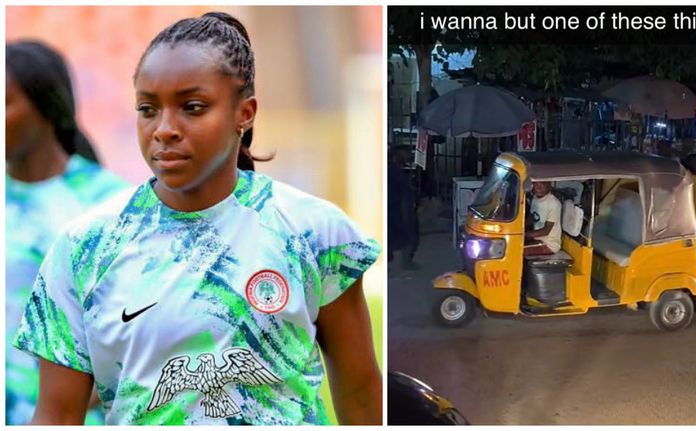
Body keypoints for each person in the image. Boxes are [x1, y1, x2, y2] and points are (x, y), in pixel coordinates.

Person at [13, 12, 381, 425]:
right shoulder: (84, 248)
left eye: (192, 107)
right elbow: (57, 417)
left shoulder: (314, 231)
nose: (164, 129)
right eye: (148, 109)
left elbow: (362, 393)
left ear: (245, 113)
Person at [5, 40, 129, 425]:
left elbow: (133, 327)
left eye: (4, 102)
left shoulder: (109, 203)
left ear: (45, 105)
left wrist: (64, 407)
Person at [387, 148, 419, 270]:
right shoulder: (397, 173)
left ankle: (391, 261)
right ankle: (406, 261)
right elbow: (405, 194)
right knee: (407, 235)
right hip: (397, 209)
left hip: (393, 208)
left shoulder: (390, 171)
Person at [524, 181, 562, 256]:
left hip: (549, 244)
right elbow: (531, 218)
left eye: (542, 183)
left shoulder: (554, 203)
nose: (538, 187)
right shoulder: (535, 198)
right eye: (536, 184)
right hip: (537, 239)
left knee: (515, 250)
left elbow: (546, 231)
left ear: (549, 185)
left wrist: (525, 234)